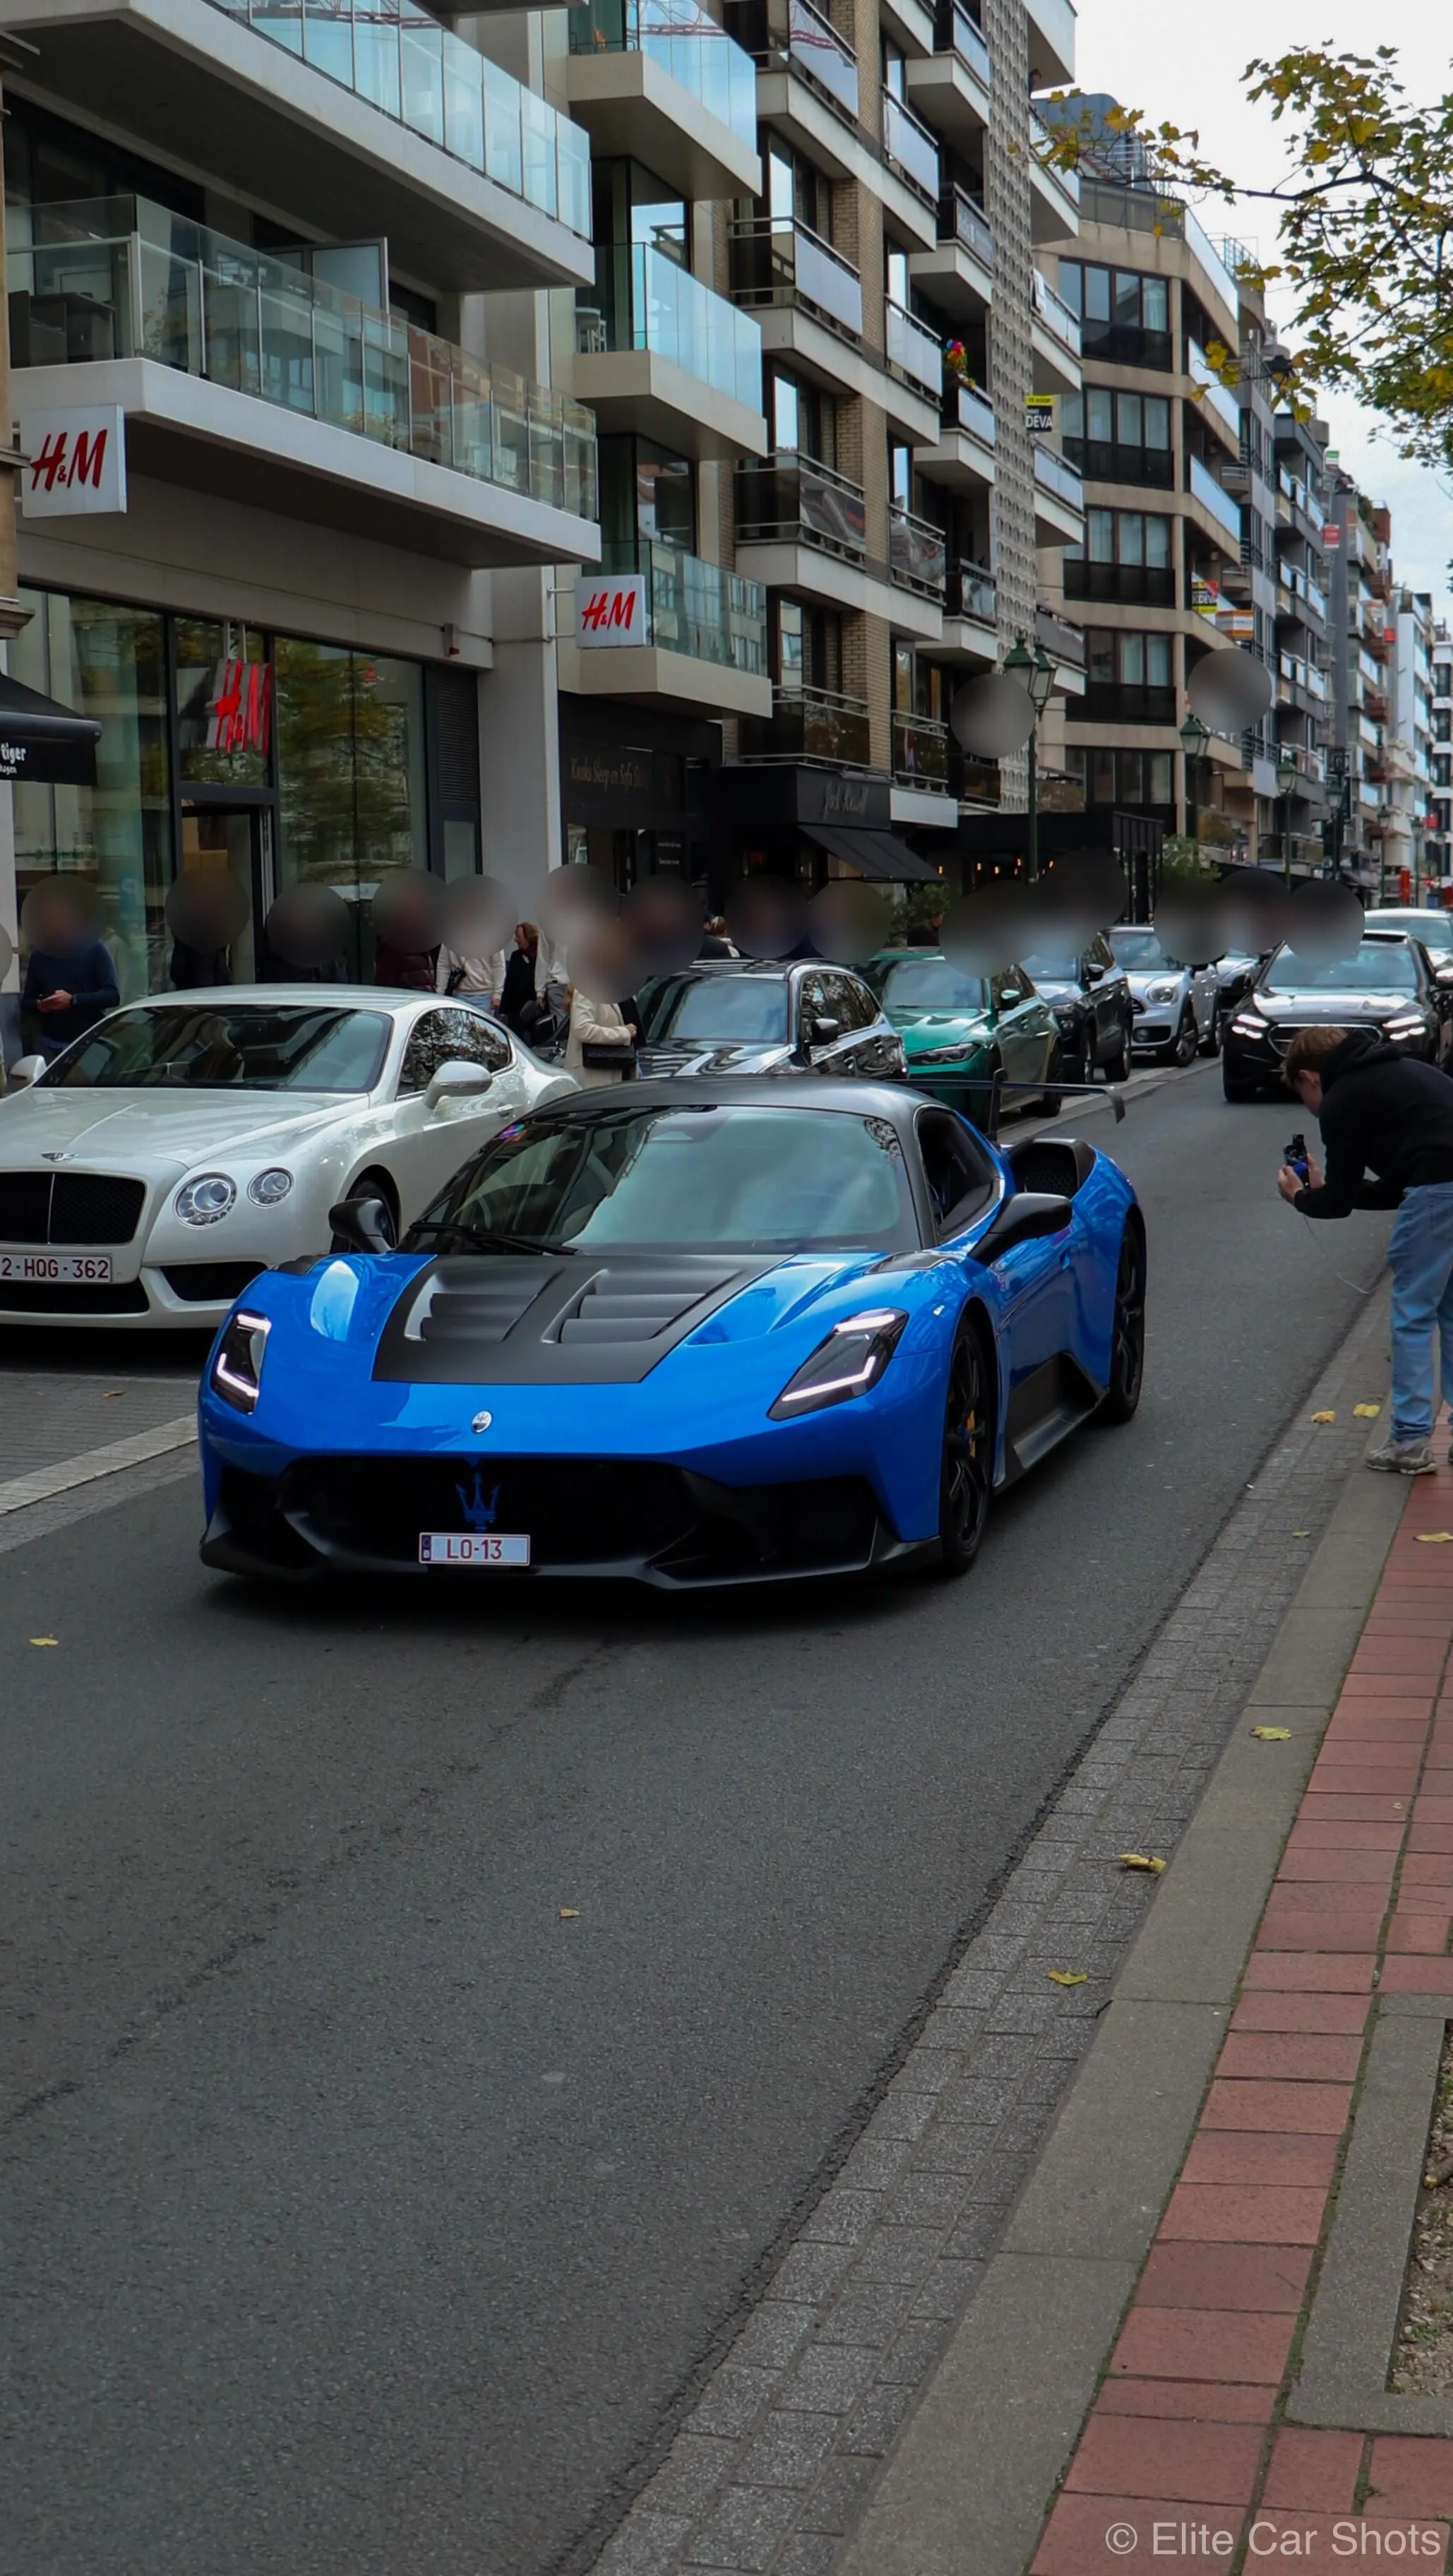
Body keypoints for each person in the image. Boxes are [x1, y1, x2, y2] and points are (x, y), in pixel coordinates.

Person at [1279, 1024, 1453, 1474]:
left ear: (1310, 1077)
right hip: (1437, 1181)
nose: (1311, 1107)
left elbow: (1336, 1204)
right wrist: (1332, 1190)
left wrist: (1300, 1196)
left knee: (1413, 1313)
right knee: (1451, 1312)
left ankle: (1410, 1440)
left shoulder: (1344, 1098)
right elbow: (1393, 1188)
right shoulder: (1406, 1072)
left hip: (1438, 1192)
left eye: (1302, 1093)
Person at [22, 903, 120, 1059]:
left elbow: (112, 996)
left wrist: (73, 1000)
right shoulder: (39, 957)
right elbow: (27, 1002)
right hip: (50, 1044)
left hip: (88, 1043)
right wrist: (41, 1005)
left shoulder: (95, 950)